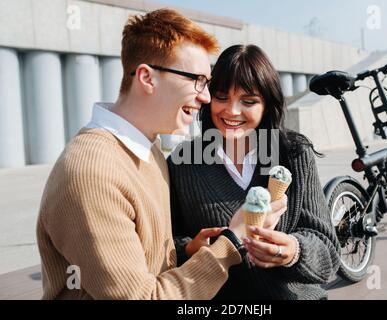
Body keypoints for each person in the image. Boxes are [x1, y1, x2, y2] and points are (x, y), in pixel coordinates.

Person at [36, 10, 286, 300]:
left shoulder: (148, 151)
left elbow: (148, 262)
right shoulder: (91, 174)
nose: (205, 97)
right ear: (147, 78)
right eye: (197, 80)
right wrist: (232, 240)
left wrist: (188, 250)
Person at [168, 44, 341, 300]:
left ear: (267, 105)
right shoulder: (183, 162)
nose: (232, 111)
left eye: (248, 101)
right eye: (222, 97)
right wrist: (191, 249)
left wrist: (293, 251)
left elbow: (328, 253)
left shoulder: (294, 153)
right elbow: (166, 245)